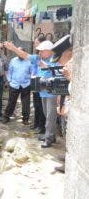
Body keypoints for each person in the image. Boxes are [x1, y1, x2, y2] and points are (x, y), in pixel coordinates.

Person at [4, 40, 58, 148]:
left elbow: (61, 72)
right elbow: (25, 55)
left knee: (50, 116)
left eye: (42, 51)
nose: (40, 53)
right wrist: (13, 48)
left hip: (52, 93)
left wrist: (48, 68)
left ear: (49, 51)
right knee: (47, 114)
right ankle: (51, 135)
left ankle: (48, 138)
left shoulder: (56, 59)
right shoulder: (38, 58)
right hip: (43, 91)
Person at [51, 34, 73, 173]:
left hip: (72, 108)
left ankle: (69, 164)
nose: (59, 63)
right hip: (66, 103)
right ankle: (68, 155)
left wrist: (70, 77)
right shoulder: (67, 67)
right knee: (66, 131)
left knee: (71, 133)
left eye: (61, 59)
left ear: (69, 53)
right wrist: (61, 100)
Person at [1, 47, 32, 125]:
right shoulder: (13, 61)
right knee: (11, 102)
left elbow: (32, 72)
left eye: (20, 52)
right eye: (18, 52)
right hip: (14, 84)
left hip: (25, 85)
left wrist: (30, 82)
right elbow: (10, 71)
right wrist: (9, 80)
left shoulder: (29, 61)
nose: (19, 54)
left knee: (25, 103)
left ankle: (25, 119)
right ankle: (6, 117)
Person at [30, 36, 46, 134]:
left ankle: (41, 126)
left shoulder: (44, 56)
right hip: (34, 80)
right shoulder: (36, 56)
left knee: (41, 105)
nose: (34, 45)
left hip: (41, 81)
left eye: (36, 43)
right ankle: (36, 123)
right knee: (36, 105)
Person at [0, 42, 8, 119]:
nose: (0, 49)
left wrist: (6, 80)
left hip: (0, 79)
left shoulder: (4, 58)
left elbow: (6, 69)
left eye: (1, 48)